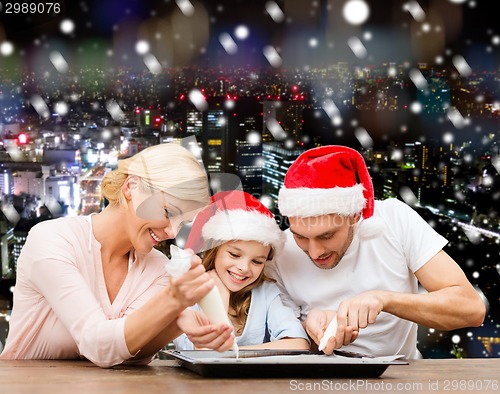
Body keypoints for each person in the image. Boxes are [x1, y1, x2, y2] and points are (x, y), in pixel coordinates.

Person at [0, 143, 235, 368]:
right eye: (168, 212)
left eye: (183, 222)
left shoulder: (157, 268)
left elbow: (127, 355)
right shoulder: (52, 239)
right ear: (131, 187)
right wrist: (172, 302)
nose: (173, 232)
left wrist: (175, 322)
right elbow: (96, 345)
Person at [265, 145, 486, 358]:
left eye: (326, 236)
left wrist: (385, 300)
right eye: (300, 237)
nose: (314, 252)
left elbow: (471, 309)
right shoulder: (281, 253)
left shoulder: (394, 220)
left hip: (399, 377)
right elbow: (282, 341)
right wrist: (310, 329)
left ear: (355, 216)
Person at [173, 190, 310, 351]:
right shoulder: (187, 296)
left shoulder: (266, 293)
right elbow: (203, 353)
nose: (244, 268)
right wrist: (220, 300)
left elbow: (299, 344)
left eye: (257, 261)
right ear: (214, 249)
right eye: (234, 254)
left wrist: (234, 352)